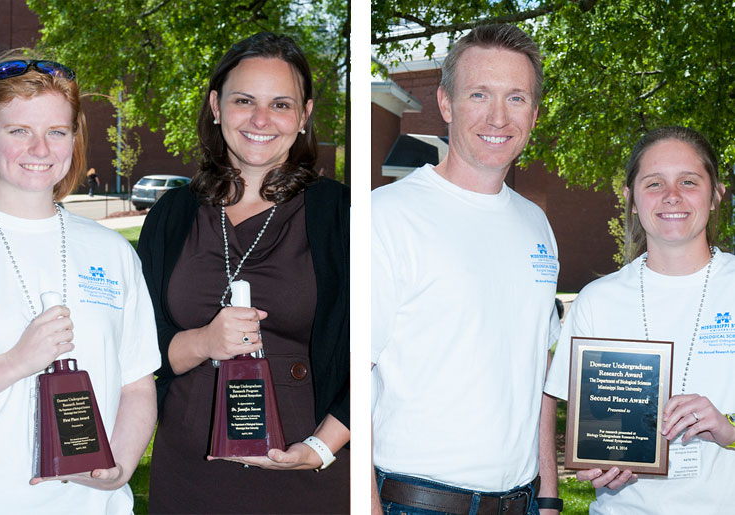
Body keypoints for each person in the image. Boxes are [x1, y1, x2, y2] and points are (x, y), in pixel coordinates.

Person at [137, 32, 349, 514]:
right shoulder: (171, 215)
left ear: (304, 115)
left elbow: (382, 351)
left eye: (280, 104)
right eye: (243, 100)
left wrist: (320, 448)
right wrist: (204, 342)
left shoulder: (342, 216)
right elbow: (139, 343)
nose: (260, 119)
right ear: (215, 106)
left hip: (302, 476)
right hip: (189, 477)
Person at [371, 24, 562, 515]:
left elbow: (537, 367)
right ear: (446, 103)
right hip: (416, 502)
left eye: (516, 98)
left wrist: (549, 494)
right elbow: (353, 373)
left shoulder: (536, 224)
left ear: (535, 114)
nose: (498, 116)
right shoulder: (387, 216)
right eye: (480, 94)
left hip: (520, 502)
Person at [0, 50, 160, 514]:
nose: (40, 150)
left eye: (56, 132)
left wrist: (123, 465)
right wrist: (17, 361)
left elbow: (137, 384)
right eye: (19, 131)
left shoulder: (112, 252)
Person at [544, 126, 735, 514]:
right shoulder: (597, 302)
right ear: (631, 199)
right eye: (654, 183)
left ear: (716, 195)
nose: (672, 196)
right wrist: (597, 462)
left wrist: (729, 431)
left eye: (688, 181)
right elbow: (589, 427)